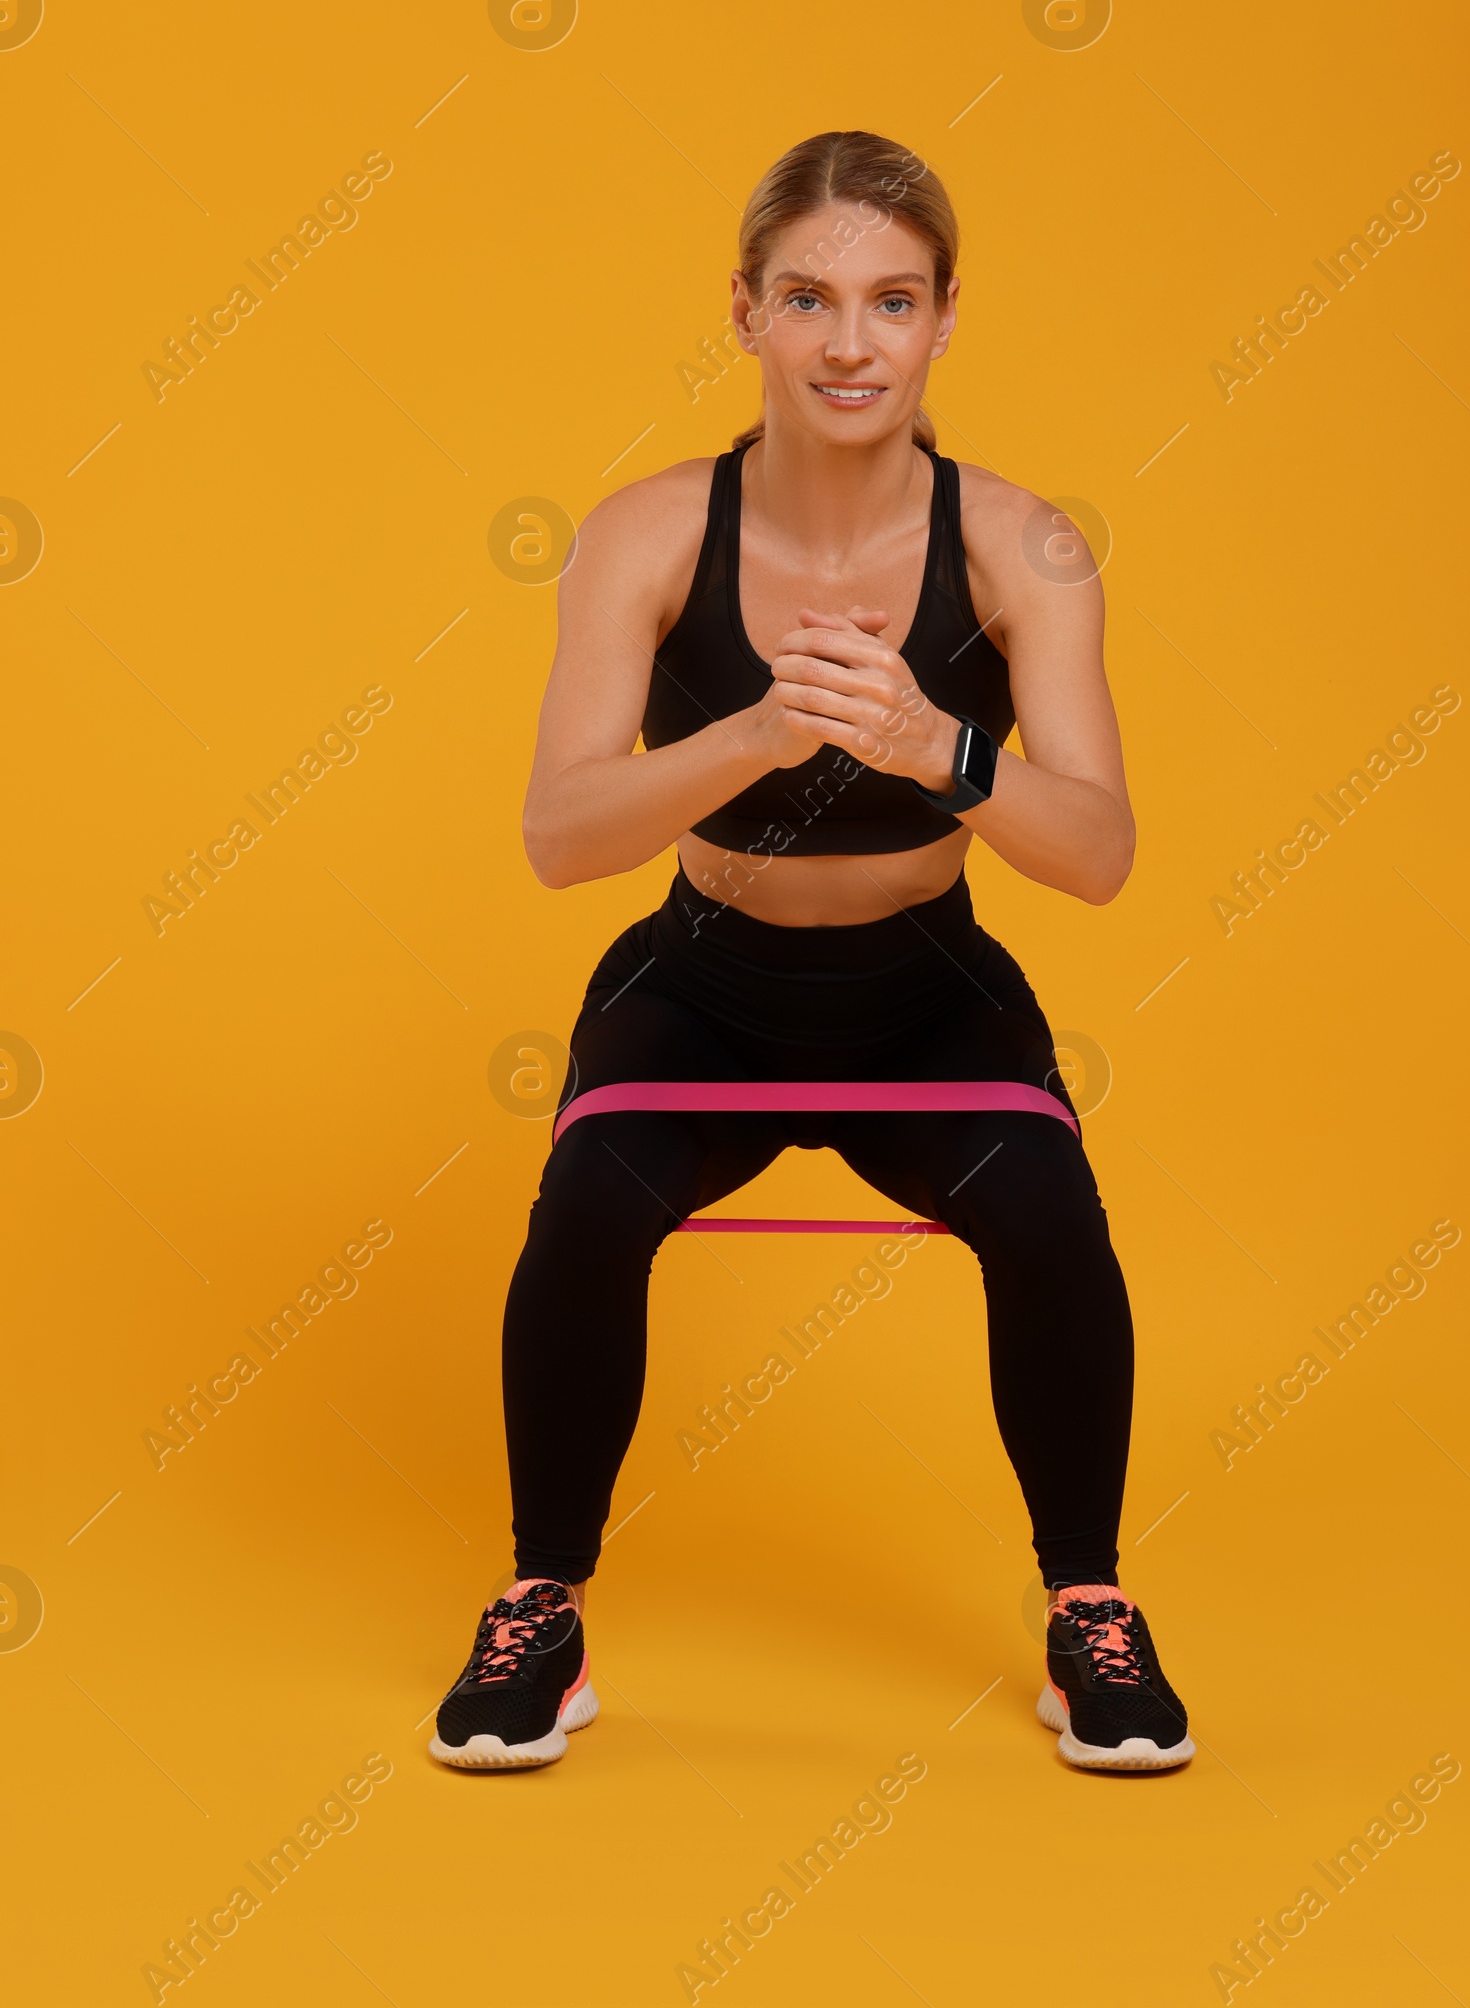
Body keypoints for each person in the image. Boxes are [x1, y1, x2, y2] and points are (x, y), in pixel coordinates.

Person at [432, 131, 1192, 1777]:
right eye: (810, 297)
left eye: (892, 301)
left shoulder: (1020, 547)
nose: (851, 341)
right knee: (580, 1221)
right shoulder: (645, 536)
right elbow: (563, 839)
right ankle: (538, 1607)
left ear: (941, 322)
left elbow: (1102, 856)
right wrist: (761, 732)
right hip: (701, 984)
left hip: (929, 988)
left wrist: (939, 748)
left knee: (1055, 1220)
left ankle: (1089, 1612)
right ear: (747, 313)